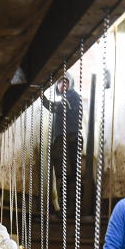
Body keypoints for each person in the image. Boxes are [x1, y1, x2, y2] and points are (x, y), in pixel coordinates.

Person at [41, 72, 81, 215]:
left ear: (70, 84)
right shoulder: (68, 99)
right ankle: (66, 208)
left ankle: (69, 209)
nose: (62, 85)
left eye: (65, 82)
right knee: (64, 175)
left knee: (66, 175)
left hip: (69, 140)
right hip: (64, 139)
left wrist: (41, 96)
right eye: (59, 82)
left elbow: (55, 107)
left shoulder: (72, 98)